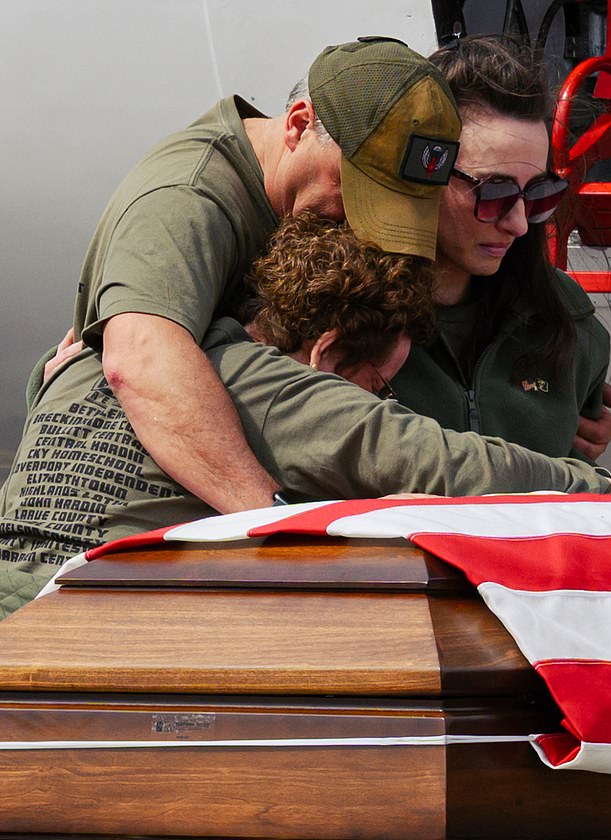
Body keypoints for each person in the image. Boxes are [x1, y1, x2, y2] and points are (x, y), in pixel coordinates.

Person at [2, 213, 611, 622]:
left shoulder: (85, 356)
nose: (381, 404)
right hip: (73, 635)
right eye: (378, 387)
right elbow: (445, 463)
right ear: (325, 352)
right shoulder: (277, 389)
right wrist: (603, 491)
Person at [48, 37, 461, 517]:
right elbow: (141, 360)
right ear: (299, 125)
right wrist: (276, 521)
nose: (360, 225)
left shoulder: (294, 198)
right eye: (357, 192)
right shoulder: (188, 198)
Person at [389, 33, 611, 460]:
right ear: (425, 172)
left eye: (539, 194)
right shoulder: (342, 319)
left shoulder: (568, 324)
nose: (519, 223)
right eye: (494, 192)